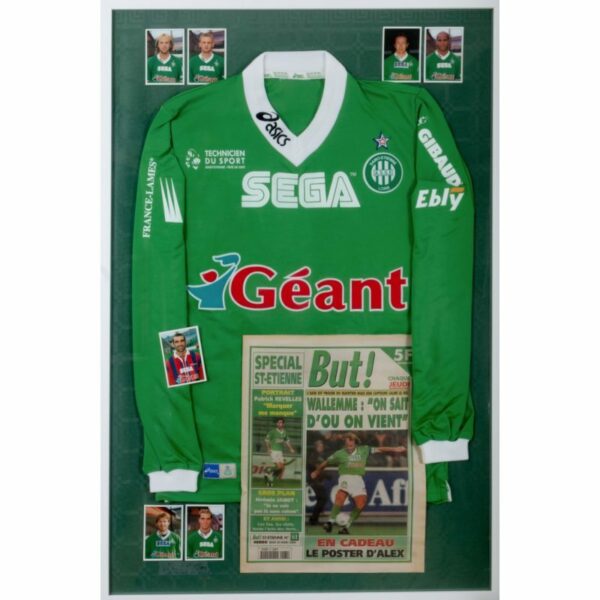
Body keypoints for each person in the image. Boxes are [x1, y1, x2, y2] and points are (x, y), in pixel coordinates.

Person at [310, 432, 406, 534]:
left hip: (358, 480)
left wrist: (395, 449)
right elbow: (326, 463)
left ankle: (346, 527)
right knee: (341, 496)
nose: (349, 447)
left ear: (355, 443)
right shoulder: (339, 454)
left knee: (361, 503)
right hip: (346, 477)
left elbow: (380, 449)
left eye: (351, 445)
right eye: (347, 445)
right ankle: (330, 522)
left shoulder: (364, 450)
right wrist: (317, 471)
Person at [264, 418, 295, 486]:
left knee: (282, 468)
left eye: (280, 422)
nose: (279, 424)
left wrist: (291, 448)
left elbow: (287, 441)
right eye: (278, 423)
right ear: (276, 424)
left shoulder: (285, 432)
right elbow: (266, 440)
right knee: (279, 467)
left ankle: (268, 473)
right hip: (274, 451)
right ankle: (270, 477)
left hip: (280, 452)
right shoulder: (272, 432)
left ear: (283, 424)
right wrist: (268, 448)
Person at [306, 438, 330, 525]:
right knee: (322, 498)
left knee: (322, 499)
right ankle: (313, 519)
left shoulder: (319, 456)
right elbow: (314, 467)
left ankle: (314, 519)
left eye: (322, 446)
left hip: (318, 481)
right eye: (321, 446)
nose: (322, 447)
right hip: (315, 481)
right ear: (316, 447)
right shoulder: (314, 455)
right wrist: (326, 475)